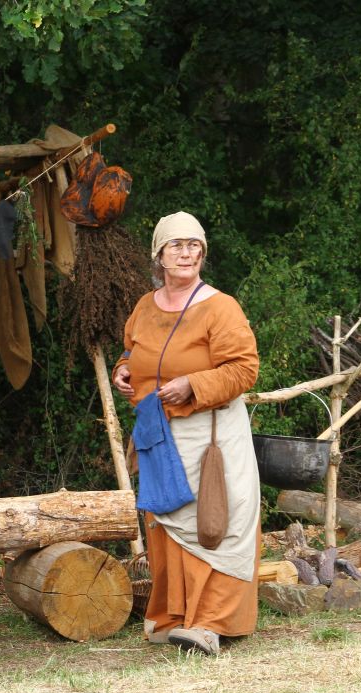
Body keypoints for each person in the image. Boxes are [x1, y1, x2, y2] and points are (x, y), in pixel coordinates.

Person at [112, 212, 262, 655]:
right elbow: (133, 350)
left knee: (215, 523)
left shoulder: (221, 307)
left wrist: (193, 384)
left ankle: (211, 623)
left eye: (194, 245)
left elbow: (244, 369)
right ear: (159, 254)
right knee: (167, 524)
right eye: (176, 245)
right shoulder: (145, 306)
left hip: (210, 436)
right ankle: (174, 616)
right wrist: (124, 371)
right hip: (159, 434)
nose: (186, 253)